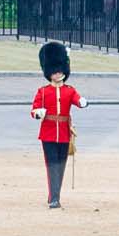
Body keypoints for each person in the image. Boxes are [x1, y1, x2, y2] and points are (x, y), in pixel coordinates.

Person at [32, 40, 83, 209]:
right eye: (54, 71)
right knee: (51, 165)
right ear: (49, 73)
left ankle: (55, 194)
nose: (58, 74)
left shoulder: (70, 90)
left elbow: (75, 99)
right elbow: (34, 109)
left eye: (60, 70)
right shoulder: (43, 91)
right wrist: (38, 113)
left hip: (63, 133)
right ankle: (54, 198)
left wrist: (82, 102)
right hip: (47, 133)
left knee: (60, 166)